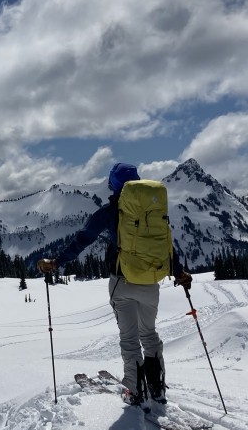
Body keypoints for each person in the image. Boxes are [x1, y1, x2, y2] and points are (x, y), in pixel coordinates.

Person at [38, 163, 192, 405]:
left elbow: (83, 239)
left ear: (113, 184)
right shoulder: (153, 211)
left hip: (122, 282)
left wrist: (57, 262)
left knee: (130, 338)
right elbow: (165, 245)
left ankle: (134, 389)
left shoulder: (110, 212)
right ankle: (157, 387)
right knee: (149, 334)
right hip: (151, 283)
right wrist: (179, 272)